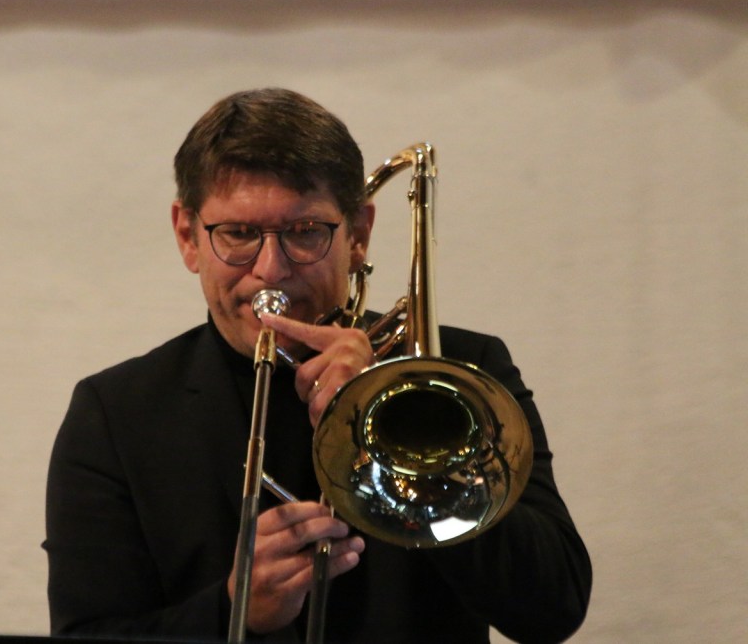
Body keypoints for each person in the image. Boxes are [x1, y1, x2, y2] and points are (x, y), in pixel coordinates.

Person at [43, 88, 592, 643]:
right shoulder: (116, 414)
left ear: (358, 236)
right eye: (238, 234)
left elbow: (553, 609)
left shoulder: (464, 371)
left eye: (305, 232)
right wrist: (235, 611)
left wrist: (411, 436)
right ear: (188, 237)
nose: (270, 269)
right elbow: (88, 632)